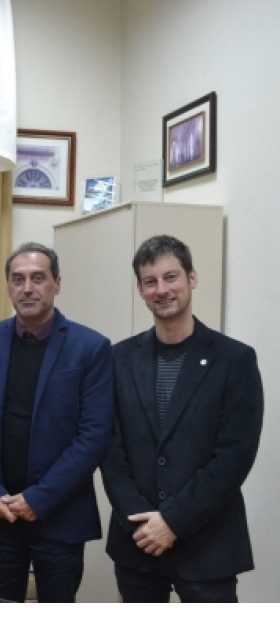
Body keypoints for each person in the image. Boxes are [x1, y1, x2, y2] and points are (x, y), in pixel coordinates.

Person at [101, 235, 263, 602]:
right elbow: (110, 452)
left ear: (192, 278)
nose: (162, 289)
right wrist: (142, 521)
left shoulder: (234, 360)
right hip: (137, 544)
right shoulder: (117, 359)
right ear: (140, 290)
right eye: (150, 281)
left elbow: (234, 457)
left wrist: (173, 521)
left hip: (209, 547)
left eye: (171, 277)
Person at [0, 241, 113, 603]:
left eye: (38, 278)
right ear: (8, 287)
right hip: (0, 516)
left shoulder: (91, 348)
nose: (27, 288)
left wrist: (38, 498)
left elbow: (93, 435)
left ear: (57, 284)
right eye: (18, 279)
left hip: (60, 517)